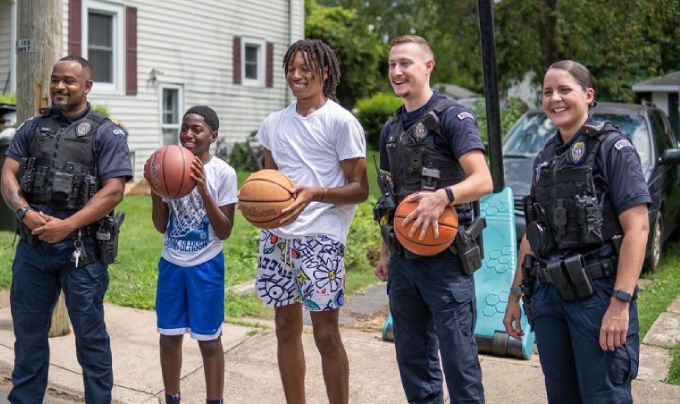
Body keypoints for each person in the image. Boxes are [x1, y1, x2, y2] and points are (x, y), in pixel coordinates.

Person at [502, 60, 649, 403]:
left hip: (597, 297)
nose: (555, 98)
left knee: (604, 396)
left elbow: (638, 228)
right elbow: (533, 235)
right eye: (548, 92)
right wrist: (515, 295)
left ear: (588, 95)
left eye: (564, 90)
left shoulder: (612, 148)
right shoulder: (545, 158)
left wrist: (620, 303)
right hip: (550, 298)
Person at [0, 55, 132, 403]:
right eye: (56, 79)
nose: (60, 86)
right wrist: (24, 212)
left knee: (90, 340)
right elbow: (8, 174)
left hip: (82, 252)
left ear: (87, 86)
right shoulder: (32, 127)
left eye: (69, 81)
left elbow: (114, 190)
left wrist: (68, 225)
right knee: (28, 338)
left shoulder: (106, 132)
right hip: (33, 249)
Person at [374, 35, 492, 403]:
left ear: (428, 66)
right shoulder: (390, 130)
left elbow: (483, 180)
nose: (396, 71)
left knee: (459, 362)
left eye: (405, 63)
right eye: (392, 64)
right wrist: (384, 251)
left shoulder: (452, 117)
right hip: (404, 262)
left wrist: (444, 196)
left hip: (446, 263)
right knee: (414, 362)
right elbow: (388, 199)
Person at [254, 38, 369, 404]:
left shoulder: (341, 122)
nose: (297, 75)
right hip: (277, 238)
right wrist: (260, 206)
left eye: (305, 68)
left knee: (325, 334)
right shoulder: (273, 124)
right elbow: (268, 182)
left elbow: (360, 189)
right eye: (292, 69)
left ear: (324, 72)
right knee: (285, 327)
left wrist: (314, 193)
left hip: (321, 235)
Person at [147, 105, 237, 404]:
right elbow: (161, 226)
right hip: (172, 263)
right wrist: (156, 190)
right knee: (168, 336)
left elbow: (224, 230)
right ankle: (172, 398)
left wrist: (203, 191)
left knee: (209, 340)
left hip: (205, 265)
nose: (188, 134)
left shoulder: (223, 172)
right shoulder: (168, 164)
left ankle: (215, 400)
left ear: (213, 135)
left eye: (196, 129)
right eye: (184, 128)